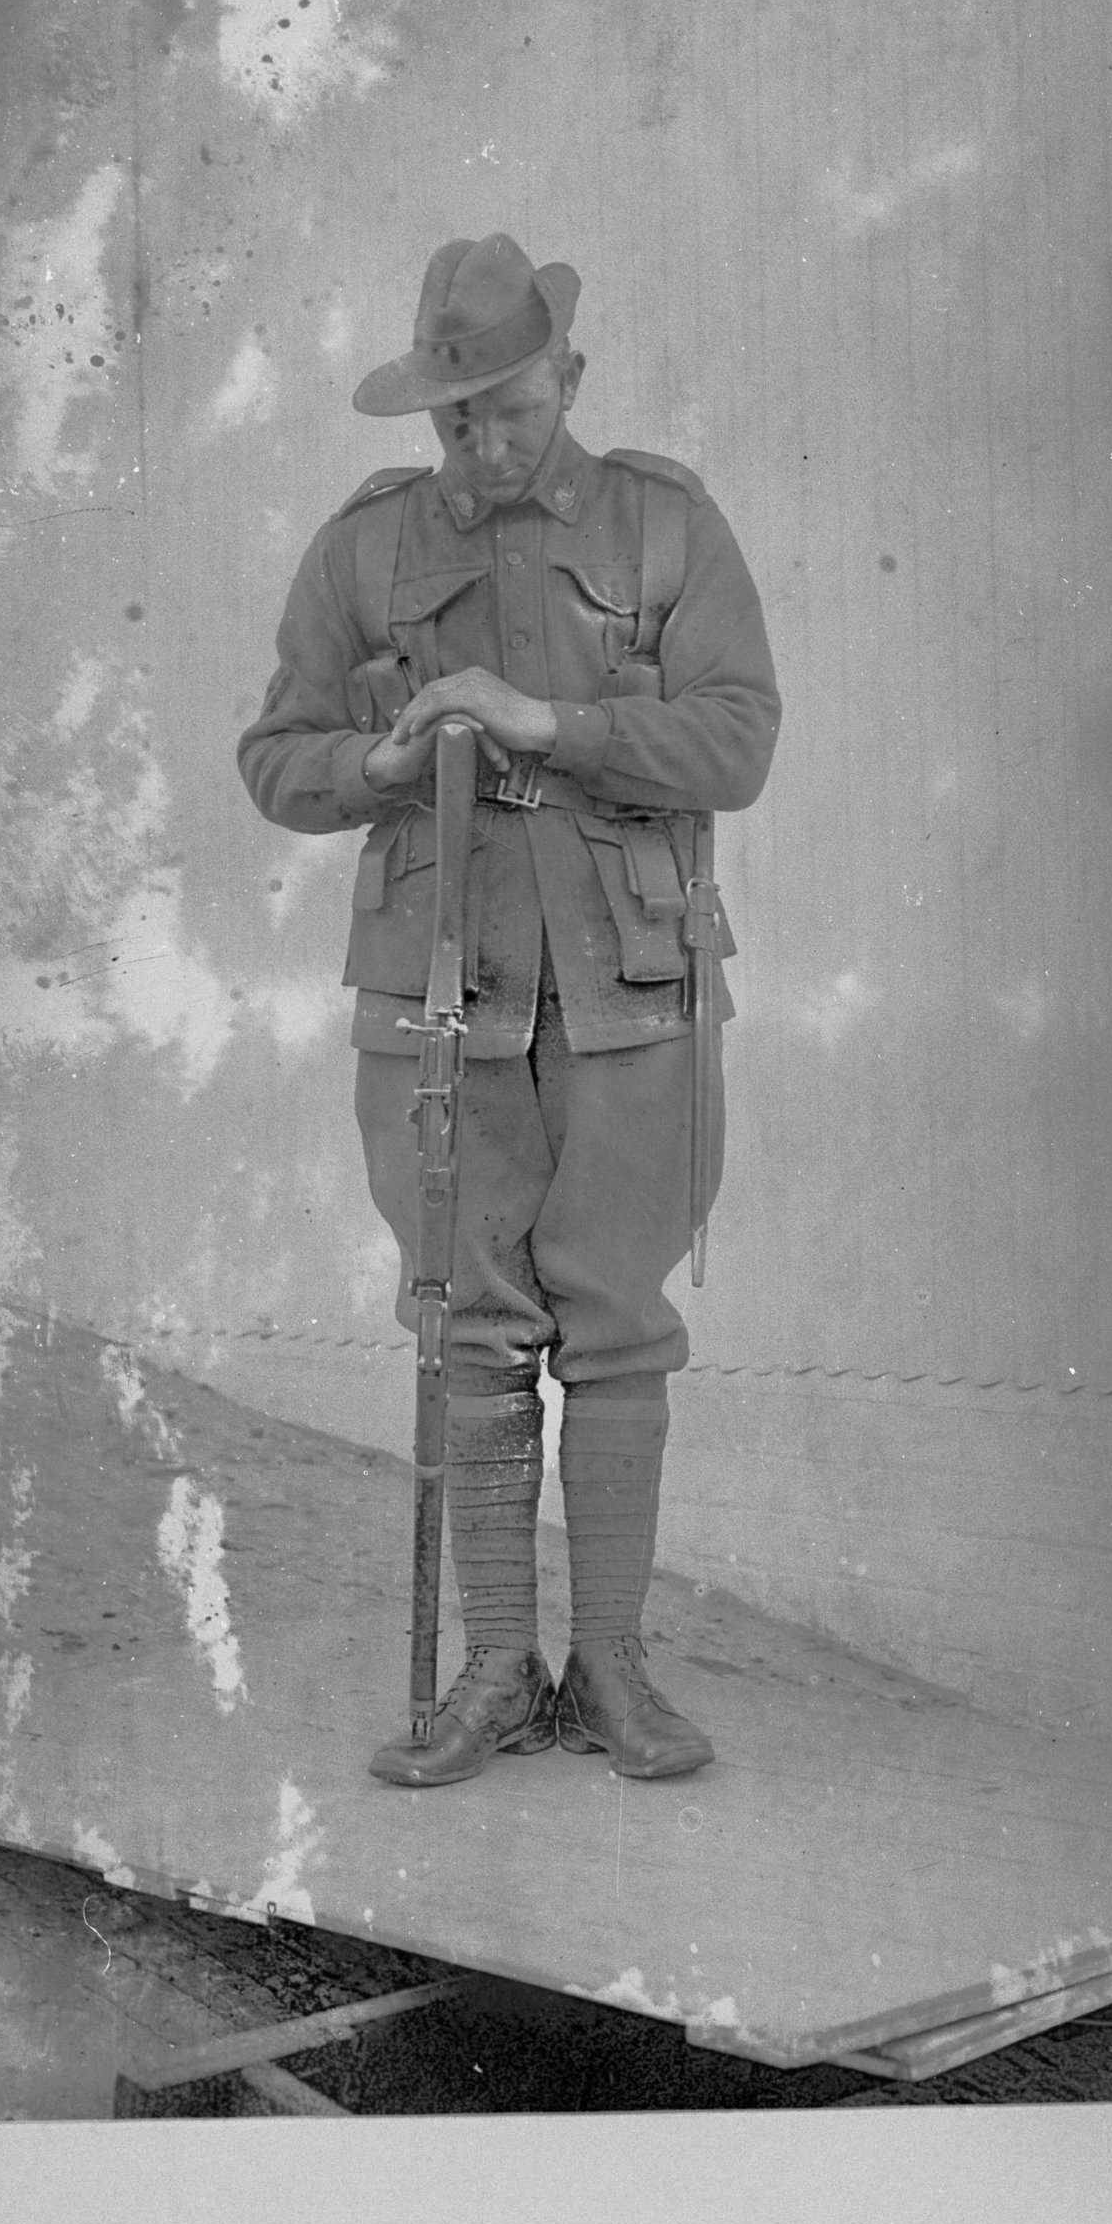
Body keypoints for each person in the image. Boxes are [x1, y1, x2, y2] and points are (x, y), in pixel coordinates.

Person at [237, 232, 780, 1787]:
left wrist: (548, 722)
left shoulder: (664, 525)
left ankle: (610, 1667)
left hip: (633, 993)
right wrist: (380, 764)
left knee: (617, 1332)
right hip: (443, 997)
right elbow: (276, 755)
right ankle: (497, 1669)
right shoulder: (365, 550)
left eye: (511, 407)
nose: (482, 443)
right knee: (470, 1330)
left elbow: (739, 739)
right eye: (456, 414)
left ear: (572, 376)